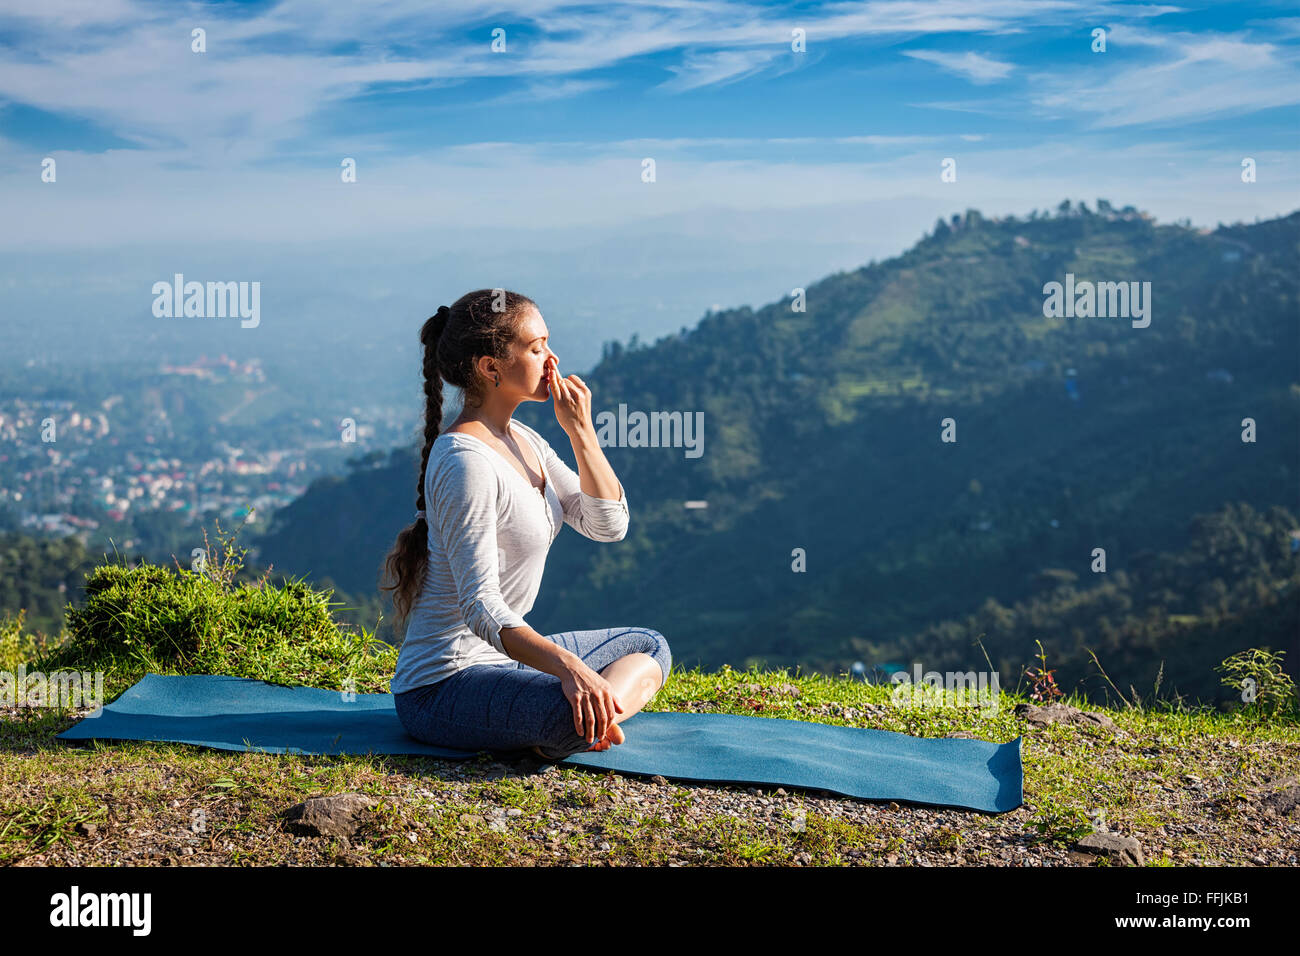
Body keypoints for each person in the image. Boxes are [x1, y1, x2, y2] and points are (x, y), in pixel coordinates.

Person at [381, 288, 671, 760]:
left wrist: (581, 433)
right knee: (567, 706)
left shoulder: (525, 440)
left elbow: (607, 524)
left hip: (502, 664)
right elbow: (481, 607)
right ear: (490, 368)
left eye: (548, 344)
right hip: (442, 689)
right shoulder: (464, 462)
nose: (552, 359)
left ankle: (591, 721)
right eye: (536, 348)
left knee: (647, 645)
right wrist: (569, 668)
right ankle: (579, 723)